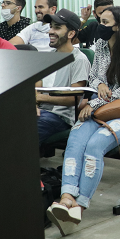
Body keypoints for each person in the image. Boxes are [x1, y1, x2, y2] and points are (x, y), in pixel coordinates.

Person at [46, 6, 120, 236]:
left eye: (104, 22)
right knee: (76, 136)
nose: (99, 25)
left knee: (95, 145)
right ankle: (66, 197)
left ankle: (79, 207)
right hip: (101, 109)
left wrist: (92, 104)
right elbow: (94, 76)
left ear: (118, 27)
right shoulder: (101, 46)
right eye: (99, 21)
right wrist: (99, 85)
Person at [35, 9, 91, 146]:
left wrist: (40, 98)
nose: (51, 31)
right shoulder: (48, 57)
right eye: (51, 27)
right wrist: (34, 103)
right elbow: (35, 87)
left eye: (57, 27)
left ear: (71, 33)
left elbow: (74, 99)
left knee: (19, 133)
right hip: (41, 112)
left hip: (60, 118)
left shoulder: (79, 60)